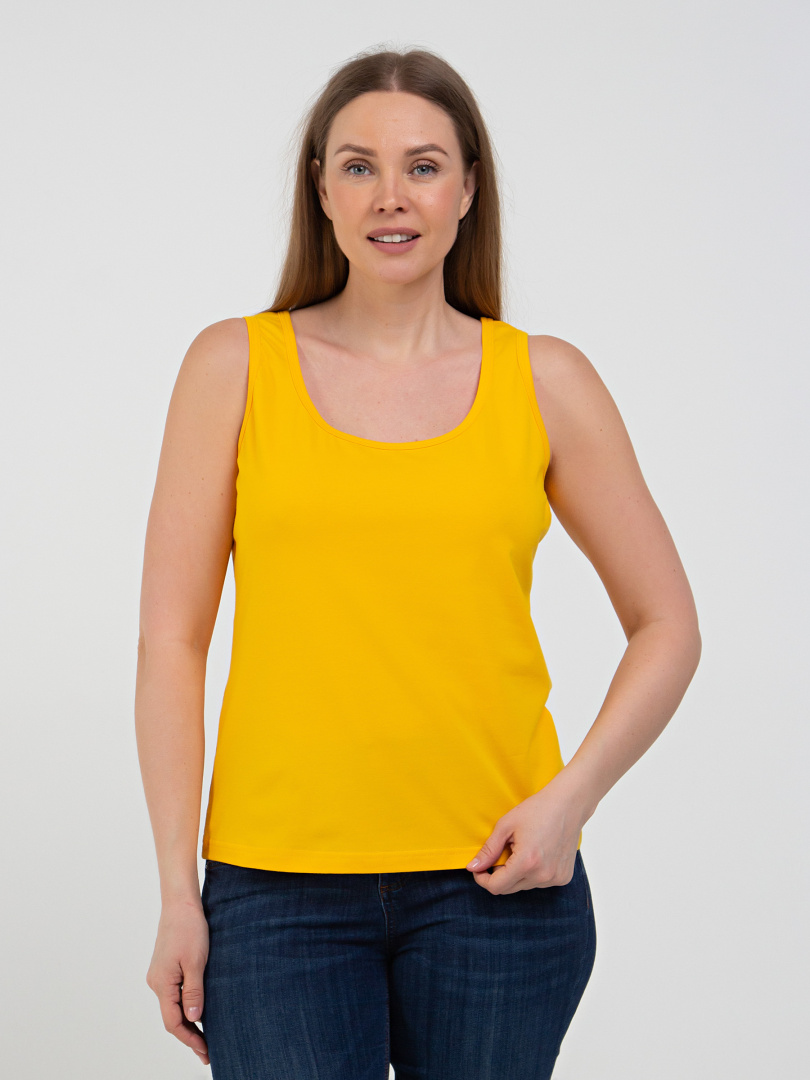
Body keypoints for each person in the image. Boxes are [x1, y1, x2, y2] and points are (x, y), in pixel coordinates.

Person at [135, 46, 701, 1079]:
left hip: (497, 885)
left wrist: (570, 800)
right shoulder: (234, 368)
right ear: (320, 188)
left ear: (469, 188)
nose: (390, 196)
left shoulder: (546, 381)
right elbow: (172, 642)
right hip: (277, 892)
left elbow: (667, 626)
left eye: (424, 166)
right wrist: (178, 890)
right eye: (359, 166)